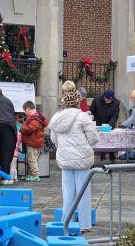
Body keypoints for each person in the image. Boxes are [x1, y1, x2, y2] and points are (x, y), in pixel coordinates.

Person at [48, 89, 99, 233]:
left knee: (68, 192)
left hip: (65, 159)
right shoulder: (82, 116)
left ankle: (67, 221)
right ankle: (84, 224)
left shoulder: (57, 117)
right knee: (83, 192)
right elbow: (94, 138)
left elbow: (53, 139)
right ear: (78, 102)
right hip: (82, 159)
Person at [20, 101, 49, 182]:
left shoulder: (34, 118)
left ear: (28, 109)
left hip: (33, 142)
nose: (25, 113)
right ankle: (32, 174)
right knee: (33, 159)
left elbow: (31, 128)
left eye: (25, 111)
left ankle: (36, 175)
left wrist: (22, 128)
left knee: (32, 159)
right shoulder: (38, 117)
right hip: (36, 141)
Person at [89, 89, 120, 162]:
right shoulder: (97, 99)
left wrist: (109, 124)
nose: (108, 101)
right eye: (107, 99)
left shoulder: (116, 102)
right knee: (100, 141)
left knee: (111, 141)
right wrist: (90, 117)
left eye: (110, 100)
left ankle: (112, 158)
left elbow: (115, 115)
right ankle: (102, 157)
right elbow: (91, 110)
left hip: (109, 125)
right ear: (104, 97)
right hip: (99, 123)